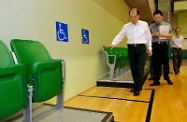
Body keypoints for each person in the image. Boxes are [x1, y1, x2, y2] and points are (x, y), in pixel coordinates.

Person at [108, 8, 152, 96]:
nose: (133, 19)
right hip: (131, 48)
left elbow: (148, 37)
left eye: (135, 17)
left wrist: (150, 48)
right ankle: (137, 86)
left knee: (140, 68)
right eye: (131, 17)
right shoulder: (126, 26)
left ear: (138, 16)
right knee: (134, 68)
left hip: (141, 48)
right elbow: (120, 35)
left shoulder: (144, 24)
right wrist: (113, 43)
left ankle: (137, 88)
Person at [149, 10, 173, 86]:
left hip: (163, 45)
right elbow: (147, 37)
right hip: (155, 46)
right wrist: (153, 34)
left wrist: (163, 35)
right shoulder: (151, 26)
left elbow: (171, 35)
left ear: (162, 17)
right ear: (153, 18)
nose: (157, 19)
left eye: (158, 17)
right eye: (155, 18)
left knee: (165, 63)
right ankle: (156, 80)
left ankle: (166, 77)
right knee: (155, 63)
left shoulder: (167, 25)